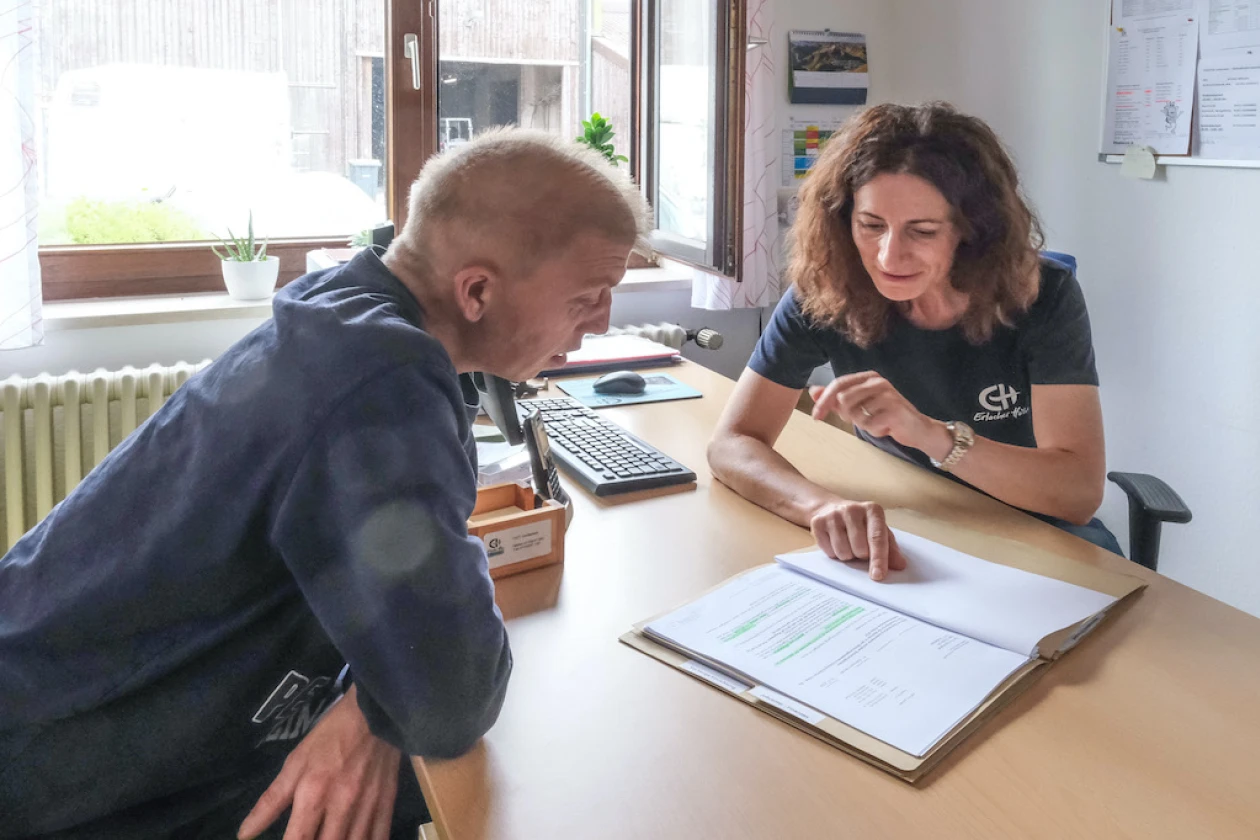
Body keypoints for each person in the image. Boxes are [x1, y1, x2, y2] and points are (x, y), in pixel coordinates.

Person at [0, 128, 649, 839]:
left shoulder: (347, 307)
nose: (601, 322)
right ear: (476, 291)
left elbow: (421, 660)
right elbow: (452, 698)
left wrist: (374, 703)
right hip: (61, 768)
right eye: (589, 296)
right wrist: (393, 699)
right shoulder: (381, 381)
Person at [708, 102, 1121, 583]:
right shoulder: (827, 289)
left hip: (1035, 530)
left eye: (922, 231)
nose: (889, 257)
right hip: (914, 521)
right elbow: (732, 443)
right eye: (871, 226)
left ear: (973, 231)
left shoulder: (1044, 296)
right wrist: (820, 506)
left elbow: (1077, 494)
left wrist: (931, 435)